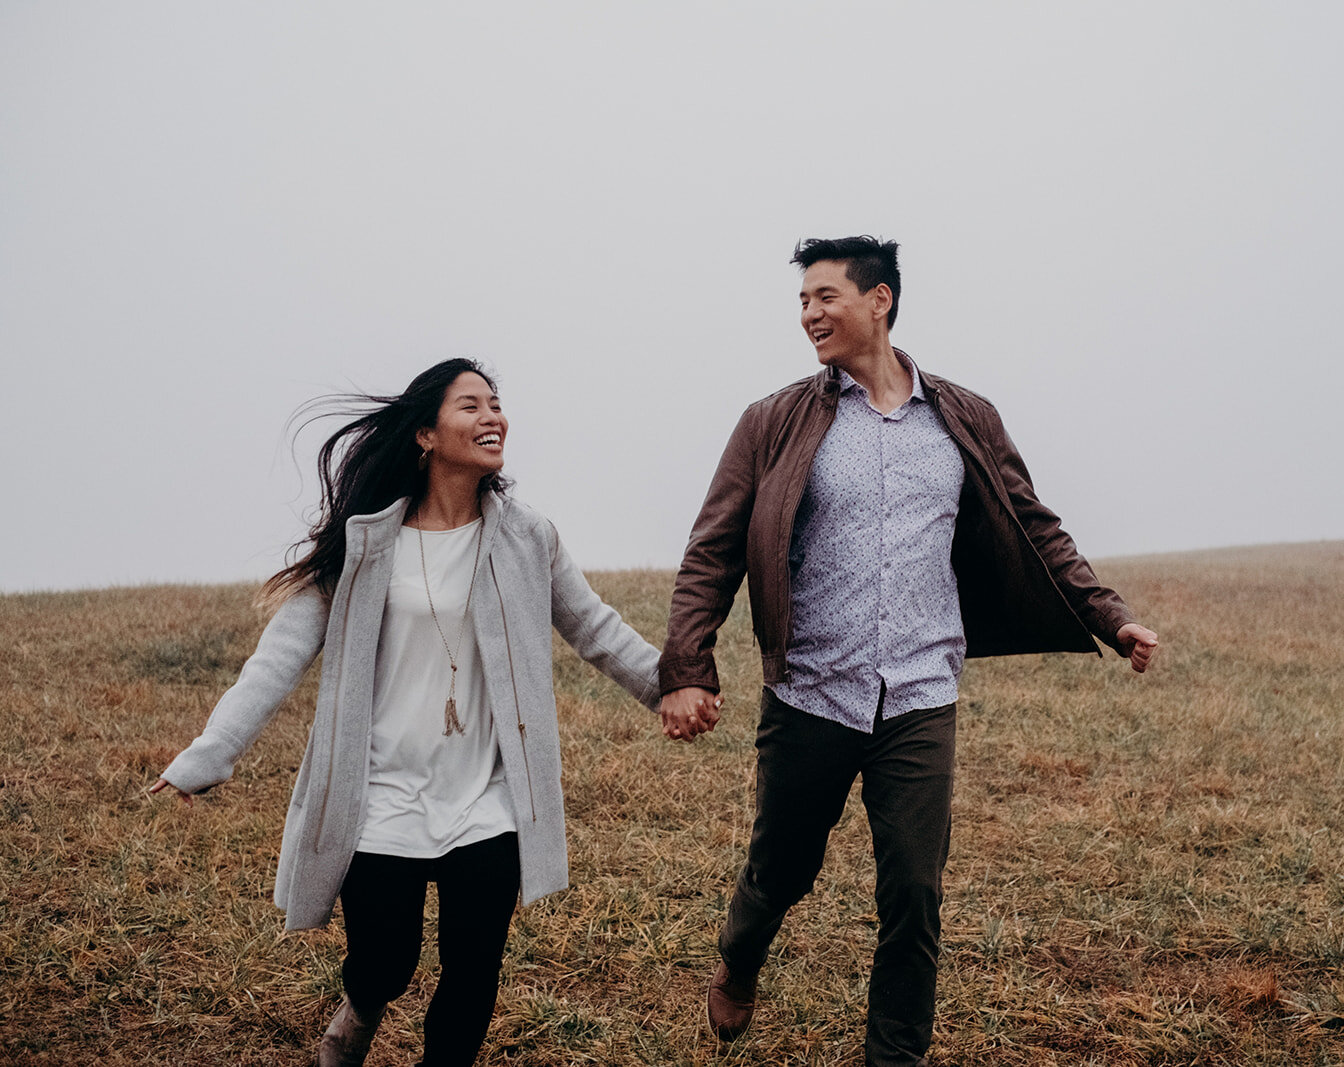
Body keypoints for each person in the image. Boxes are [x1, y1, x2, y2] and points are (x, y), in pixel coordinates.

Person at [657, 237, 1159, 1067]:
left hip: (921, 693)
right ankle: (740, 957)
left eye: (826, 296)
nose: (811, 314)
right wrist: (687, 668)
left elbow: (1034, 524)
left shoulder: (961, 415)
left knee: (914, 896)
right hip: (814, 690)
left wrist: (1109, 615)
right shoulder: (773, 421)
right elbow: (713, 549)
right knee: (781, 869)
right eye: (803, 303)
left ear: (880, 299)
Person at [150, 359, 710, 1066]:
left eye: (497, 404)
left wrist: (674, 686)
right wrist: (206, 754)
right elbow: (277, 659)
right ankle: (359, 1009)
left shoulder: (527, 536)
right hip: (381, 794)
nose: (493, 417)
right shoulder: (363, 543)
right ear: (424, 434)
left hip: (488, 796)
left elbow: (595, 628)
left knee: (474, 970)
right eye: (470, 405)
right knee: (387, 962)